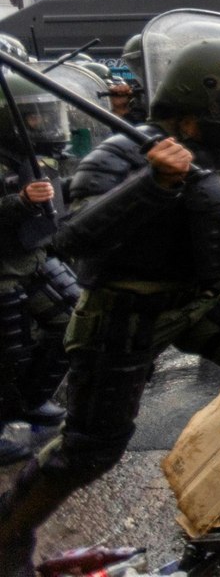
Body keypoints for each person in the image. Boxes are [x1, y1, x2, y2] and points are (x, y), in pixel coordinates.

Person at [0, 38, 220, 574]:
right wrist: (154, 181)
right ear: (193, 112)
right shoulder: (119, 154)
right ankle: (8, 534)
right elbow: (73, 237)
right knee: (90, 449)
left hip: (200, 295)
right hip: (126, 308)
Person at [0, 74, 78, 467]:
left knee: (73, 319)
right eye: (32, 119)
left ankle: (31, 399)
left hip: (31, 258)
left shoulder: (30, 157)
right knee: (6, 352)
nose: (42, 126)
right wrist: (19, 201)